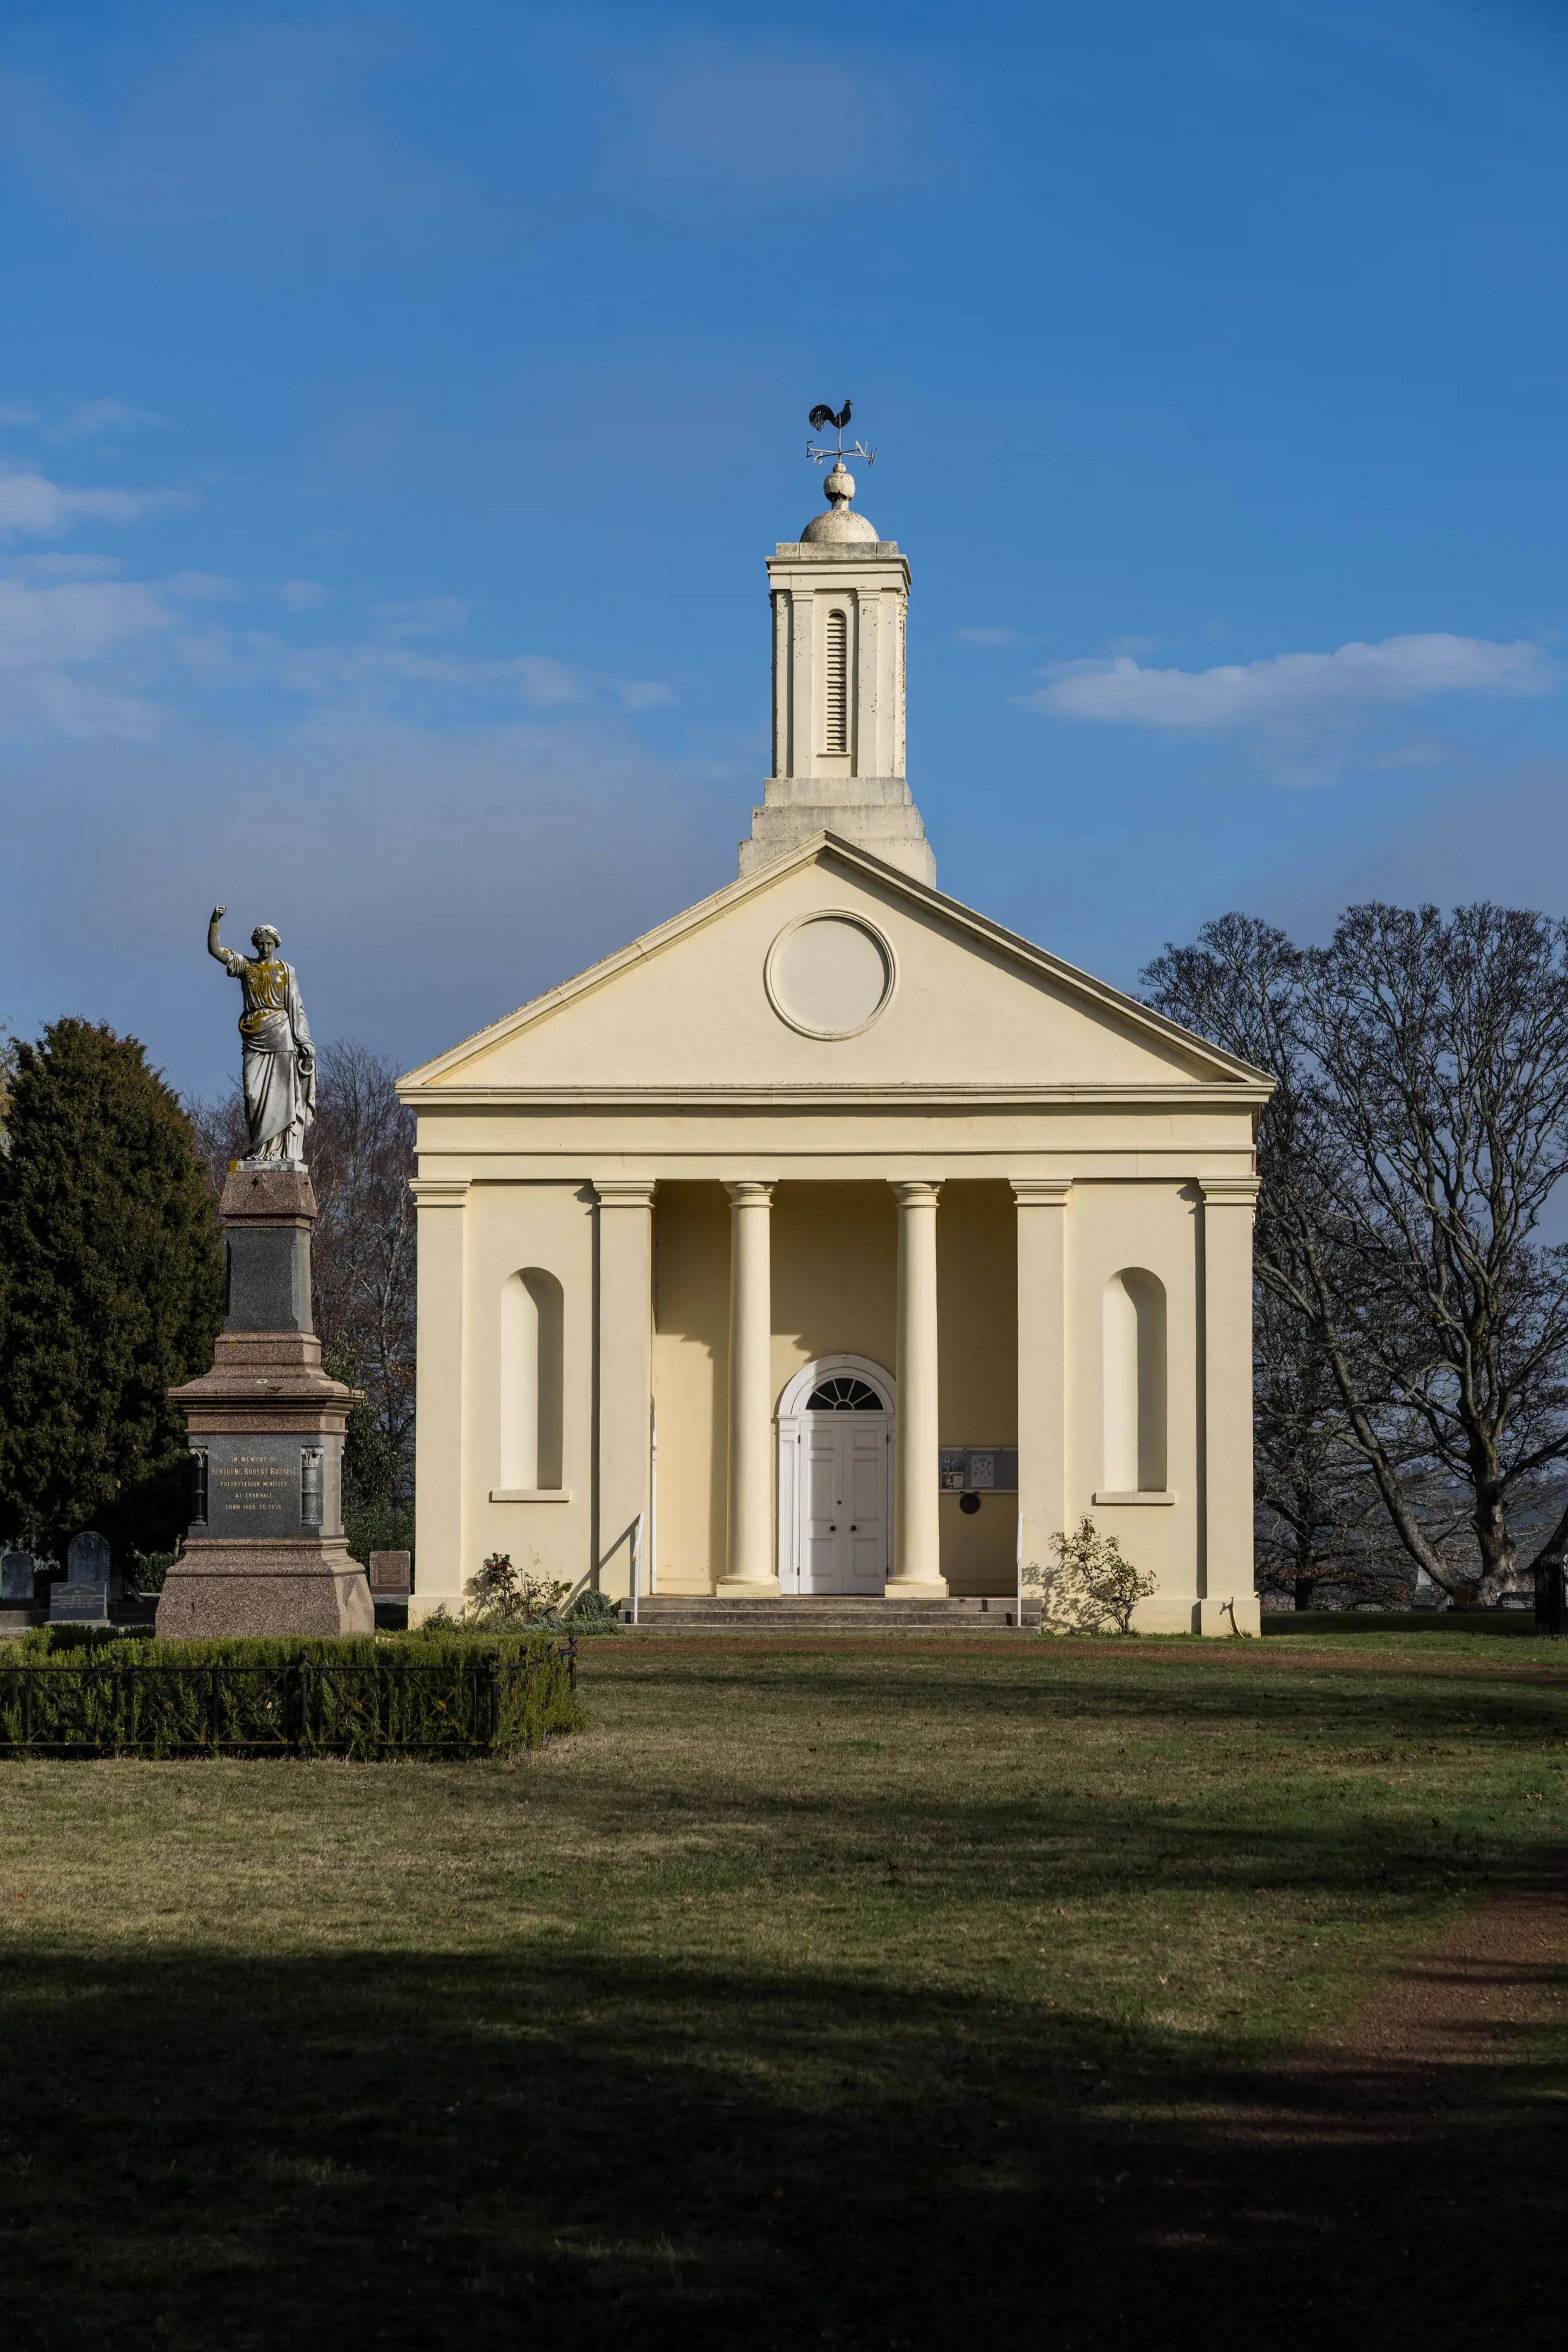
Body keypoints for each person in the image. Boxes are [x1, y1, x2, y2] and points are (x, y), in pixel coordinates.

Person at [208, 906, 316, 1165]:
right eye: (261, 943)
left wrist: (305, 1041)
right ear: (255, 945)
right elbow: (216, 950)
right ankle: (259, 1146)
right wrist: (214, 922)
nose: (265, 947)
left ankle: (277, 1152)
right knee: (252, 1095)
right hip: (254, 1033)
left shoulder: (286, 971)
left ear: (275, 945)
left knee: (283, 1095)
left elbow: (296, 1007)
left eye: (269, 943)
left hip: (282, 1033)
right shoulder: (246, 966)